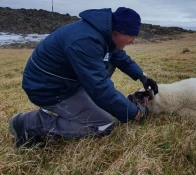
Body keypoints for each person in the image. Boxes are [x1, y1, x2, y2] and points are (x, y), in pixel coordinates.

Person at [8, 7, 158, 149]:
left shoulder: (104, 34)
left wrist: (142, 76)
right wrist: (134, 113)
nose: (133, 41)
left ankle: (83, 103)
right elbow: (99, 87)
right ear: (117, 31)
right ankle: (27, 124)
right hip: (48, 88)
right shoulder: (85, 41)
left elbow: (118, 56)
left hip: (65, 81)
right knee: (103, 125)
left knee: (109, 66)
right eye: (131, 35)